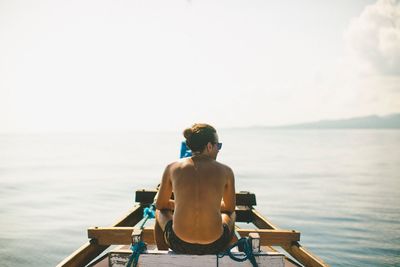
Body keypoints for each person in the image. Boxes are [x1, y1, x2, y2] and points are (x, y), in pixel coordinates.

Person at [154, 123, 236, 255]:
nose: (218, 149)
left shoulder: (172, 167)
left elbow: (160, 204)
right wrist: (211, 205)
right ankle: (231, 251)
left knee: (160, 211)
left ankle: (162, 254)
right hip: (216, 244)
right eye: (218, 145)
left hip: (178, 243)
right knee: (230, 214)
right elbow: (230, 207)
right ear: (209, 146)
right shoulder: (226, 171)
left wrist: (180, 205)